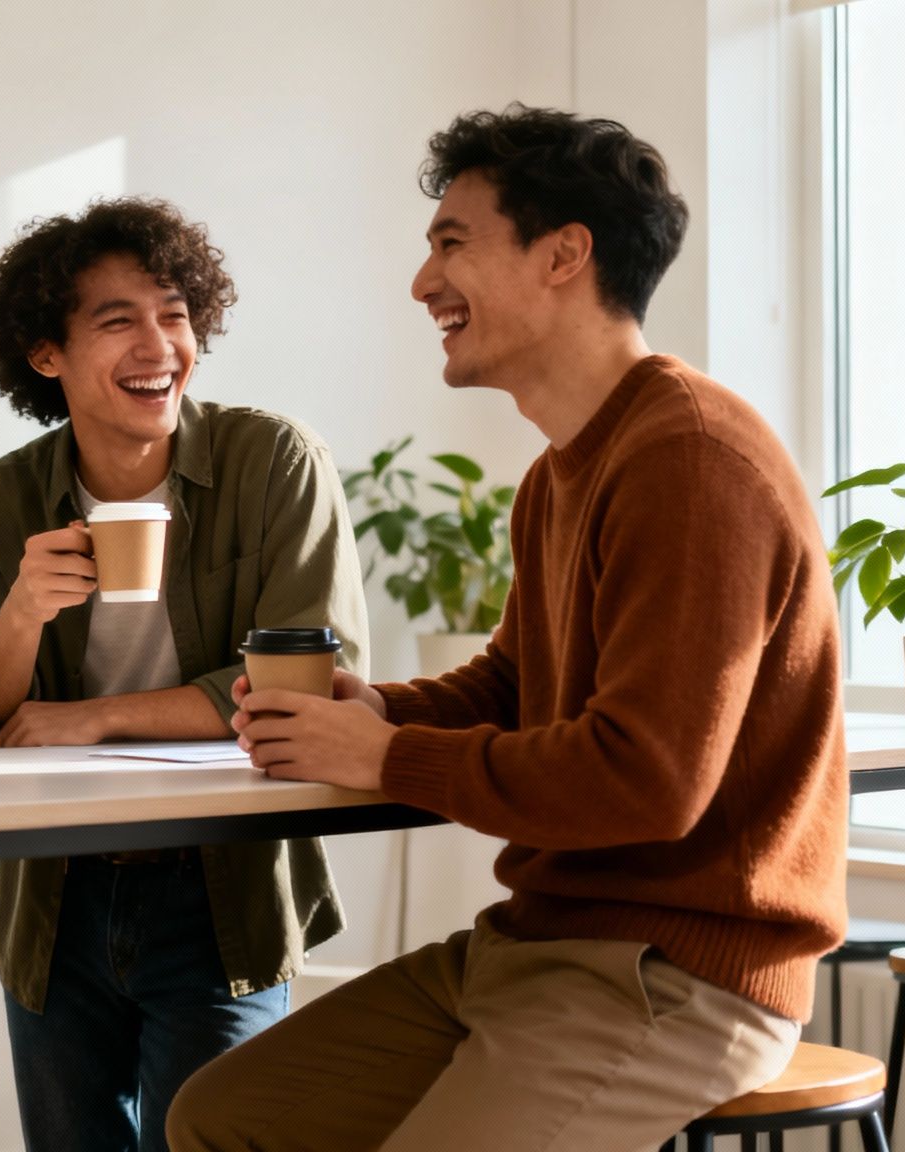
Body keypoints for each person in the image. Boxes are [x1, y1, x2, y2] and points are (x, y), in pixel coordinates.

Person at [168, 105, 850, 1152]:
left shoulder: (688, 459)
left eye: (451, 243)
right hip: (536, 945)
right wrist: (374, 710)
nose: (420, 282)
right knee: (222, 1118)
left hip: (676, 976)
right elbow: (512, 684)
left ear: (562, 255)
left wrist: (391, 755)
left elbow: (644, 780)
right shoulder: (561, 471)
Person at [0, 197, 369, 1152]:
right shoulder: (1, 501)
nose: (158, 344)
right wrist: (22, 611)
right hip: (56, 897)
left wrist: (94, 719)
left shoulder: (273, 463)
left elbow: (308, 681)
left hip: (224, 890)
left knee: (218, 1138)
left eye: (173, 314)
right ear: (47, 354)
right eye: (117, 319)